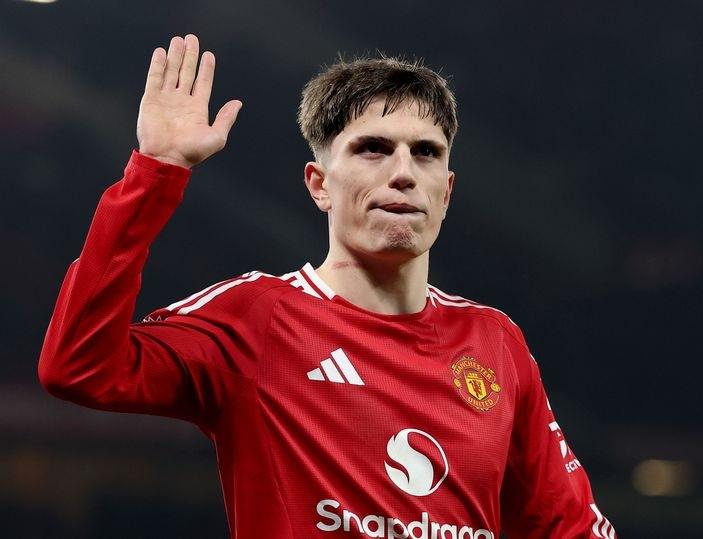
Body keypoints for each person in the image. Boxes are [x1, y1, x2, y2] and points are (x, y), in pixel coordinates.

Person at [38, 34, 616, 538]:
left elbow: (570, 525)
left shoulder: (494, 342)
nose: (403, 172)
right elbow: (78, 367)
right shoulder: (257, 316)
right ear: (319, 184)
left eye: (426, 153)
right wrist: (155, 172)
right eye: (373, 148)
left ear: (446, 192)